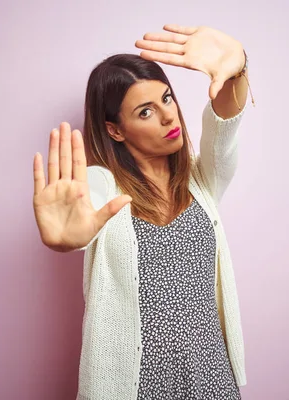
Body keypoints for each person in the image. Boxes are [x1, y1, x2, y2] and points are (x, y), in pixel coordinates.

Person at [32, 24, 254, 400]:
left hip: (211, 376)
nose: (169, 117)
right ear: (115, 130)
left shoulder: (202, 179)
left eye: (167, 99)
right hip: (135, 386)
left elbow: (224, 128)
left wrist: (237, 70)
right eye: (146, 111)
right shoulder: (102, 190)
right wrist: (64, 242)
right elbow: (80, 224)